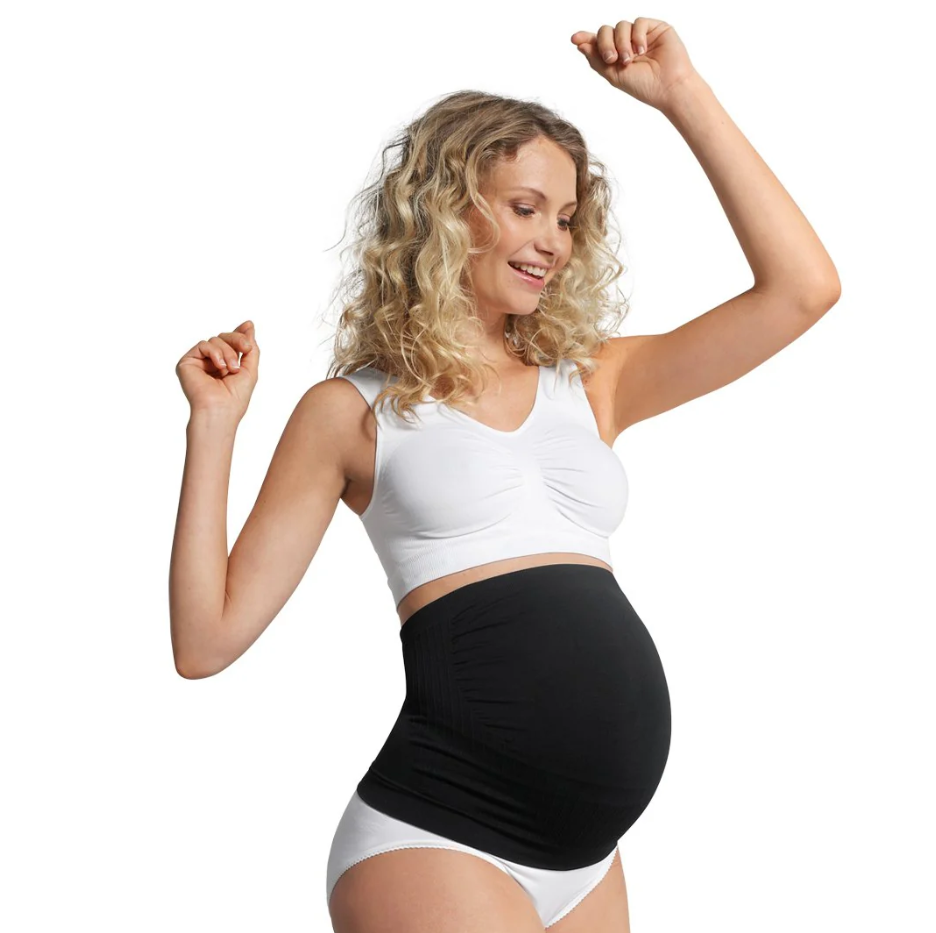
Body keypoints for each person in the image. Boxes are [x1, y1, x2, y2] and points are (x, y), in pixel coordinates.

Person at [170, 17, 840, 933]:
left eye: (566, 217)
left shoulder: (591, 382)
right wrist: (214, 427)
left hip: (587, 859)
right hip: (440, 833)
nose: (552, 241)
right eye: (526, 207)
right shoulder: (353, 411)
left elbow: (803, 289)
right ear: (446, 210)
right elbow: (205, 641)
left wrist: (681, 94)